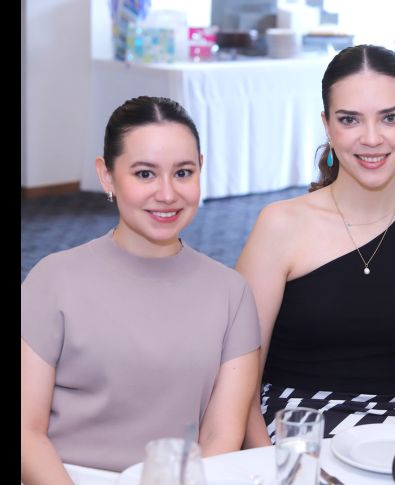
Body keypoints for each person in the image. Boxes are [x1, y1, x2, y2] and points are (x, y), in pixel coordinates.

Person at [237, 44, 395, 445]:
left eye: (390, 118)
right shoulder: (280, 225)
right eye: (350, 120)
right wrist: (276, 470)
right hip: (288, 438)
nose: (371, 138)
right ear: (327, 126)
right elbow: (238, 386)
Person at [21, 96, 262, 481]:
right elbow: (26, 433)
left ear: (201, 169)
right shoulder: (53, 279)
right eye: (145, 174)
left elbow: (220, 436)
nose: (167, 194)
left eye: (183, 173)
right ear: (107, 176)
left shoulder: (231, 293)